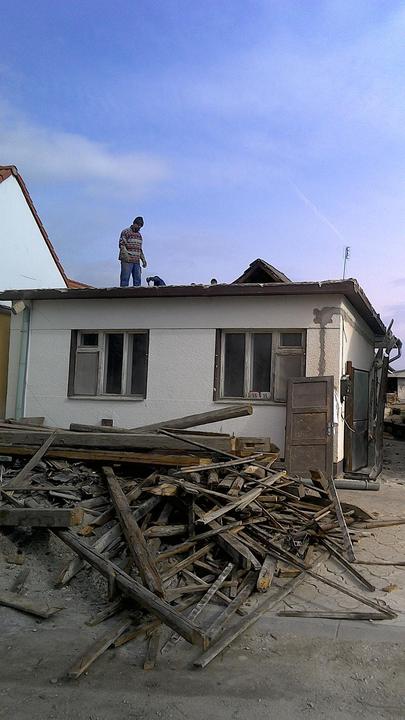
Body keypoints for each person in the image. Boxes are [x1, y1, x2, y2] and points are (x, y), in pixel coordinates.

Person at [119, 216, 147, 287]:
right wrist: (126, 256)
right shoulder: (126, 232)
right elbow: (122, 245)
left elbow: (139, 249)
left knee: (137, 281)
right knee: (125, 280)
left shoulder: (139, 235)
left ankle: (137, 294)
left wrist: (143, 260)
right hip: (127, 261)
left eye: (140, 226)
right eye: (138, 225)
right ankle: (123, 293)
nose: (139, 227)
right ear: (134, 223)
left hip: (136, 261)